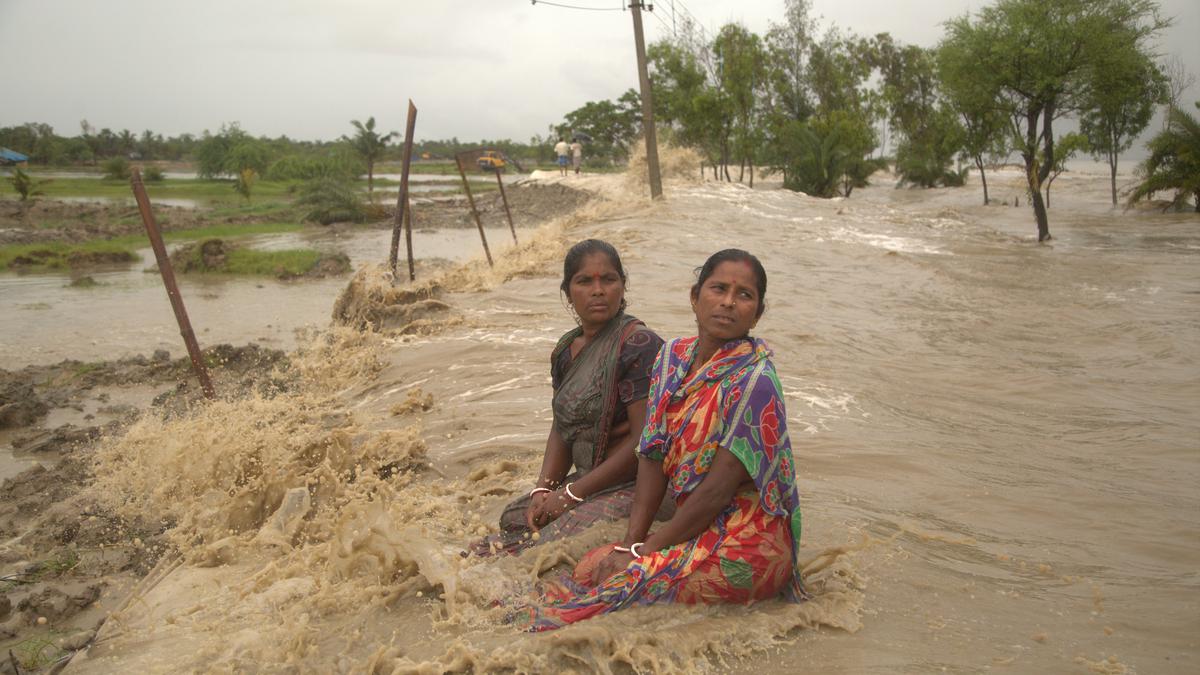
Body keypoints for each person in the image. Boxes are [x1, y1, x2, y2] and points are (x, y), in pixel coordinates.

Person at [516, 249, 805, 631]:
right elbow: (651, 453)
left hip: (747, 543)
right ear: (694, 296)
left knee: (614, 589)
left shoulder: (756, 382)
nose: (728, 302)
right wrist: (631, 543)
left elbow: (715, 492)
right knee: (592, 567)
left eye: (744, 295)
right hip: (696, 528)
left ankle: (522, 638)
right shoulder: (672, 357)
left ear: (758, 312)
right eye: (718, 288)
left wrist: (643, 552)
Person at [473, 239, 665, 556]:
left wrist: (572, 494)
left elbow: (644, 441)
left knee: (549, 539)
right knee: (514, 517)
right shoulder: (566, 350)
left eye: (608, 279)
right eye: (585, 281)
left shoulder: (639, 345)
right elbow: (562, 429)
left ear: (623, 286)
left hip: (636, 484)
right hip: (591, 481)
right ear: (567, 292)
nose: (598, 290)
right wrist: (545, 488)